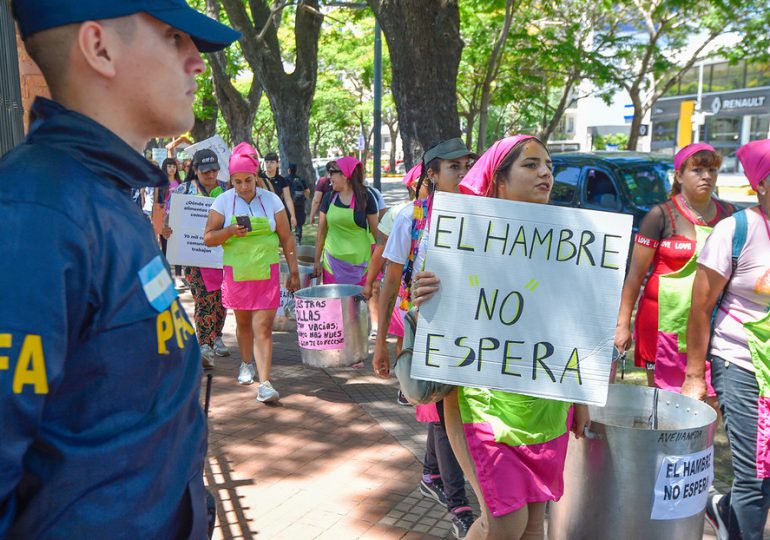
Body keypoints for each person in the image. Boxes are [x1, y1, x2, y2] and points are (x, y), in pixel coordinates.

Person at [1, 1, 239, 536]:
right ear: (99, 47)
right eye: (175, 37)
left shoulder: (104, 198)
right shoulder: (37, 216)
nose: (197, 61)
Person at [397, 136, 591, 540]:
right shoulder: (456, 235)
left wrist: (581, 395)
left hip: (547, 408)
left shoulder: (568, 242)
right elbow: (434, 317)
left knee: (534, 524)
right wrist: (424, 296)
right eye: (531, 165)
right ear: (499, 179)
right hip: (483, 405)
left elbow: (577, 323)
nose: (545, 174)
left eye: (549, 167)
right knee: (505, 522)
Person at [373, 139, 477, 538]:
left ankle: (432, 475)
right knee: (442, 405)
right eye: (454, 167)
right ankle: (458, 503)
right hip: (428, 328)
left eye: (468, 165)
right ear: (431, 175)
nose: (464, 173)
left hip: (470, 329)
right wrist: (382, 340)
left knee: (447, 407)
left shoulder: (485, 216)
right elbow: (391, 278)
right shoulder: (411, 218)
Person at [682, 139, 770, 540]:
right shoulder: (735, 231)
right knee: (755, 475)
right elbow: (701, 307)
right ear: (761, 185)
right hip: (740, 361)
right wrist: (695, 375)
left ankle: (723, 510)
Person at [614, 143, 734, 390]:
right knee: (663, 400)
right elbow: (635, 277)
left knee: (709, 399)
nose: (707, 176)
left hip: (711, 325)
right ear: (679, 175)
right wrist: (622, 325)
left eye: (712, 170)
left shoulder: (729, 215)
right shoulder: (660, 215)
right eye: (698, 170)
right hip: (660, 325)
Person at [204, 143, 299, 402]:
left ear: (256, 177)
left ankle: (265, 382)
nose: (244, 186)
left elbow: (287, 239)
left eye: (248, 180)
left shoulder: (272, 200)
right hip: (238, 273)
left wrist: (293, 271)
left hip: (265, 272)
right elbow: (209, 238)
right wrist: (229, 231)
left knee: (264, 326)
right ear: (231, 181)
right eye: (238, 181)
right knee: (244, 323)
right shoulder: (222, 202)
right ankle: (246, 363)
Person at [165, 148, 230, 368]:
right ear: (195, 170)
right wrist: (167, 230)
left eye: (214, 171)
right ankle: (203, 344)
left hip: (222, 256)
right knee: (203, 300)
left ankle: (216, 335)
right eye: (205, 172)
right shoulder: (184, 191)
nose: (211, 175)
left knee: (221, 301)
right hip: (195, 258)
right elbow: (168, 220)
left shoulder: (226, 191)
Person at [313, 157, 379, 285]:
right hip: (332, 264)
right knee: (334, 303)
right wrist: (316, 261)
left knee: (360, 304)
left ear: (344, 175)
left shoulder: (366, 197)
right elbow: (321, 233)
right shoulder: (328, 198)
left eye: (332, 172)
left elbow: (377, 234)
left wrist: (383, 262)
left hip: (361, 265)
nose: (329, 176)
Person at [260, 151, 297, 230]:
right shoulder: (259, 178)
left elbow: (288, 199)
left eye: (272, 162)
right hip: (263, 213)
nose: (269, 164)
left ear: (277, 164)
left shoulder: (282, 180)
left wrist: (293, 216)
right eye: (267, 162)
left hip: (278, 212)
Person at [287, 162, 311, 243]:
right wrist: (305, 198)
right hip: (300, 204)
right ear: (296, 170)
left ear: (289, 170)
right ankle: (298, 241)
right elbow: (307, 191)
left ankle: (288, 241)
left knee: (288, 222)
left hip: (289, 205)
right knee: (299, 223)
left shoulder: (286, 179)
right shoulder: (301, 179)